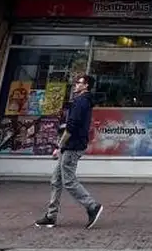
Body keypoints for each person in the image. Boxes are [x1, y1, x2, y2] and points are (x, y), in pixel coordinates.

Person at [35, 75, 103, 229]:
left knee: (69, 181)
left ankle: (92, 206)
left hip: (73, 146)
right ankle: (51, 216)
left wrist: (60, 146)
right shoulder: (83, 101)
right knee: (56, 180)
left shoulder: (81, 102)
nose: (75, 85)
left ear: (86, 85)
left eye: (78, 83)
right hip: (71, 146)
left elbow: (71, 126)